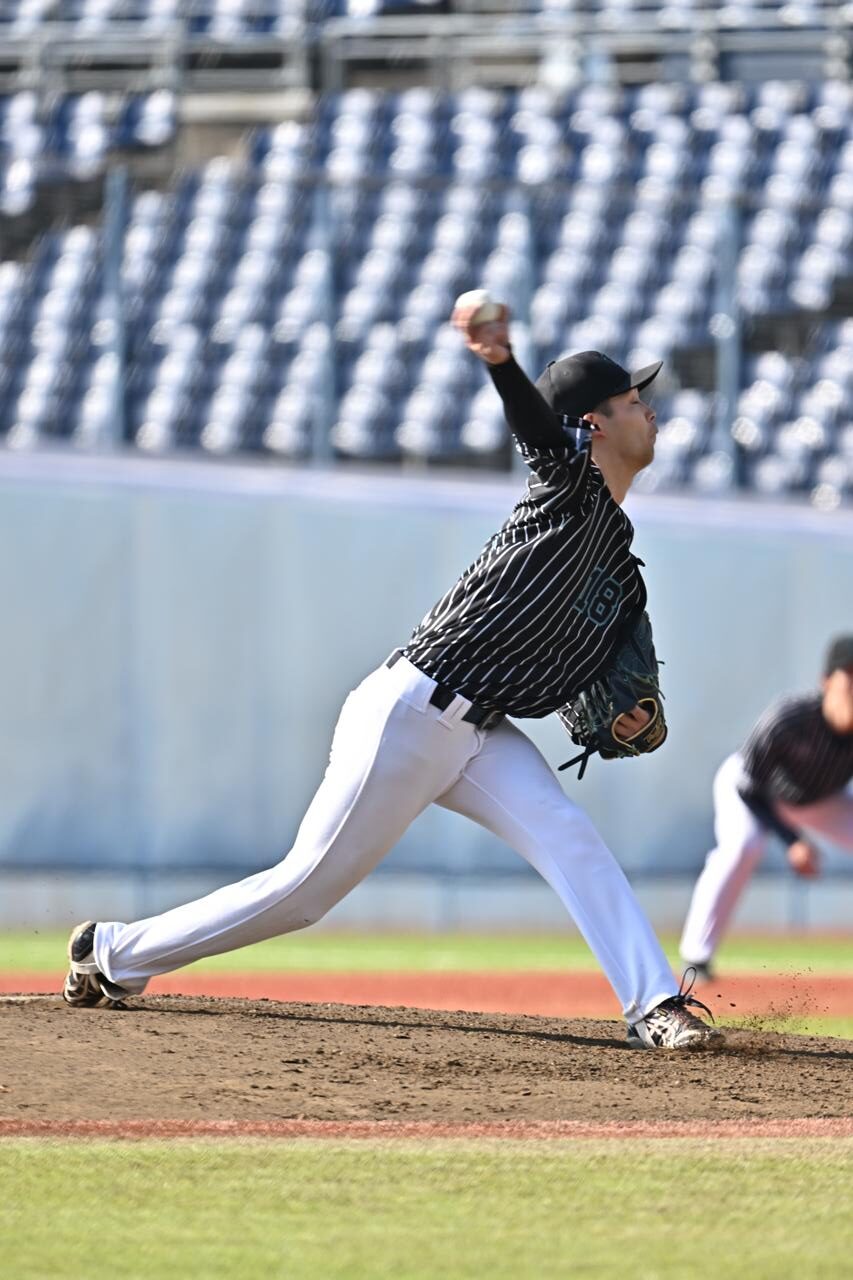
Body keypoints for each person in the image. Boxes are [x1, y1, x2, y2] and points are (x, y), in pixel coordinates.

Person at [63, 298, 719, 1050]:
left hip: (483, 732)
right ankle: (112, 952)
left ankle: (653, 1006)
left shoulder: (621, 572)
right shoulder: (566, 489)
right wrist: (501, 362)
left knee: (571, 838)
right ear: (593, 424)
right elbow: (538, 433)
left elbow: (585, 690)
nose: (650, 410)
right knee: (304, 892)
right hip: (409, 713)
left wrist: (622, 720)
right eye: (633, 400)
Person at [680, 634, 853, 980]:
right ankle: (696, 959)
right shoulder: (790, 718)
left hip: (817, 800)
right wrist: (793, 841)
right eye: (849, 677)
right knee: (744, 846)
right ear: (826, 682)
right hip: (751, 789)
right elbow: (748, 787)